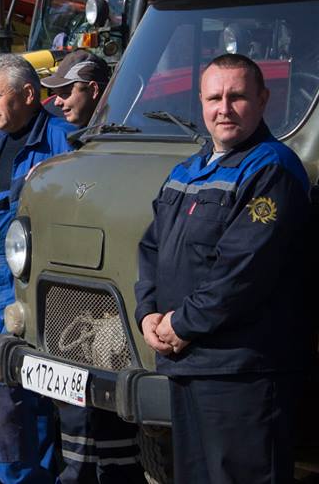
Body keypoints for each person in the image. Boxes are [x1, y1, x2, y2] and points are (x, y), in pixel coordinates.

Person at [134, 54, 310, 483]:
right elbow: (152, 248)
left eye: (237, 97)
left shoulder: (272, 169)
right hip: (189, 363)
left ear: (263, 99)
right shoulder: (187, 171)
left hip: (242, 371)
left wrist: (182, 324)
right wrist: (148, 314)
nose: (224, 108)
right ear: (200, 101)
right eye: (214, 97)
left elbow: (244, 269)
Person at [0, 54, 74, 483]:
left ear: (28, 94)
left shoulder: (63, 141)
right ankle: (19, 478)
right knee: (7, 392)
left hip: (43, 290)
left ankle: (35, 476)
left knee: (39, 393)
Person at [42, 52, 146, 483]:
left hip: (113, 309)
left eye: (69, 91)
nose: (60, 100)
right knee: (78, 416)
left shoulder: (131, 146)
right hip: (72, 303)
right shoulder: (73, 146)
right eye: (56, 92)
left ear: (99, 91)